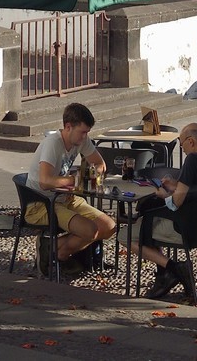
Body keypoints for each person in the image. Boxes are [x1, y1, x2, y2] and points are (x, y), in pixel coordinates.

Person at [139, 122, 197, 300]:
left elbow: (175, 204)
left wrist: (164, 194)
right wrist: (175, 186)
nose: (182, 148)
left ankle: (174, 269)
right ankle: (165, 274)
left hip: (181, 228)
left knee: (127, 234)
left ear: (191, 141)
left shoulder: (193, 160)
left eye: (181, 143)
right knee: (148, 217)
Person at [27, 102, 118, 276]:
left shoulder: (80, 140)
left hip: (66, 197)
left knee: (109, 227)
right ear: (68, 127)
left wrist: (92, 173)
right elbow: (44, 181)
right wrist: (76, 180)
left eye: (87, 133)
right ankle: (54, 250)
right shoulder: (53, 143)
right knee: (90, 230)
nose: (85, 137)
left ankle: (56, 250)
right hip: (42, 203)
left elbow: (100, 164)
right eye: (82, 132)